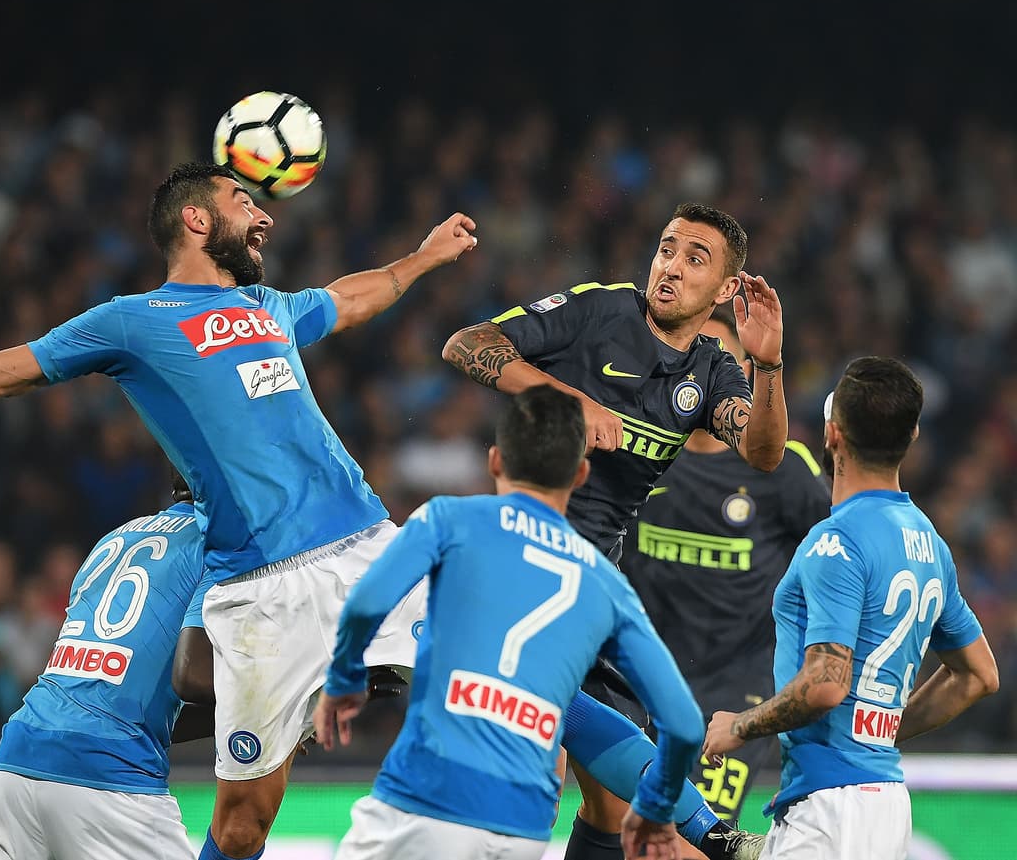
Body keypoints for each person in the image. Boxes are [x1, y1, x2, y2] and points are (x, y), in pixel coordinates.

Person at [0, 162, 477, 860]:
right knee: (249, 823)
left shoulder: (270, 310)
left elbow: (354, 295)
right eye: (242, 199)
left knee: (469, 655)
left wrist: (421, 258)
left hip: (348, 543)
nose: (263, 213)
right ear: (195, 219)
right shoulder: (135, 321)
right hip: (246, 606)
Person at [443, 202, 787, 860]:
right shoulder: (601, 310)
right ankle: (714, 833)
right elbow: (468, 343)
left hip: (597, 575)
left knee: (610, 804)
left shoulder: (714, 370)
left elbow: (764, 451)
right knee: (534, 768)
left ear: (722, 291)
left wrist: (769, 368)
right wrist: (568, 400)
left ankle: (709, 832)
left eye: (695, 258)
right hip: (524, 551)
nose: (671, 267)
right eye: (666, 248)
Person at [313, 386, 704, 860]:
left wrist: (344, 679)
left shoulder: (449, 519)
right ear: (580, 474)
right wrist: (657, 804)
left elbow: (365, 603)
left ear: (496, 460)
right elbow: (683, 724)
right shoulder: (605, 583)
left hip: (427, 800)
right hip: (523, 830)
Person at [703, 357, 1000, 860]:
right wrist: (880, 730)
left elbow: (825, 684)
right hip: (884, 806)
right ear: (912, 435)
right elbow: (979, 676)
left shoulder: (835, 542)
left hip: (831, 812)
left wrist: (739, 725)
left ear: (832, 435)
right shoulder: (929, 542)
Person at [620, 305, 830, 825]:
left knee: (702, 833)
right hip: (643, 680)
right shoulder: (634, 451)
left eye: (719, 361)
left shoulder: (781, 466)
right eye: (690, 357)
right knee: (635, 829)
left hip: (738, 688)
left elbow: (832, 561)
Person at [0, 478, 211, 860]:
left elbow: (106, 694)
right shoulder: (225, 547)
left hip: (16, 760)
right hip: (110, 783)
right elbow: (194, 677)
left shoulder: (116, 538)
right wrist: (279, 716)